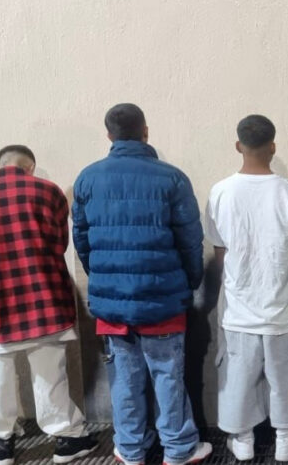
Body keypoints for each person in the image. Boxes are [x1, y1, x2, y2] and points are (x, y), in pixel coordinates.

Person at [72, 103, 211, 465]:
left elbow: (81, 241)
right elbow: (190, 241)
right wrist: (189, 282)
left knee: (124, 378)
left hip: (112, 304)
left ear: (109, 135)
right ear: (145, 131)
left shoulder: (87, 178)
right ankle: (178, 448)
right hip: (162, 299)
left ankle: (131, 448)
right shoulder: (172, 178)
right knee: (168, 375)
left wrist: (103, 280)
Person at [0, 145, 97, 465]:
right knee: (50, 375)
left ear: (0, 165)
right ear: (31, 166)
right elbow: (59, 244)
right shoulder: (48, 192)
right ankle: (66, 438)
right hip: (41, 297)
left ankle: (1, 443)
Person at [205, 115, 288, 462]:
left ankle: (243, 440)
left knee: (238, 376)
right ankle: (286, 438)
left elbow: (220, 253)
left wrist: (239, 284)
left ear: (238, 145)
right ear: (273, 146)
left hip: (238, 306)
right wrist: (285, 287)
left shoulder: (220, 192)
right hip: (283, 306)